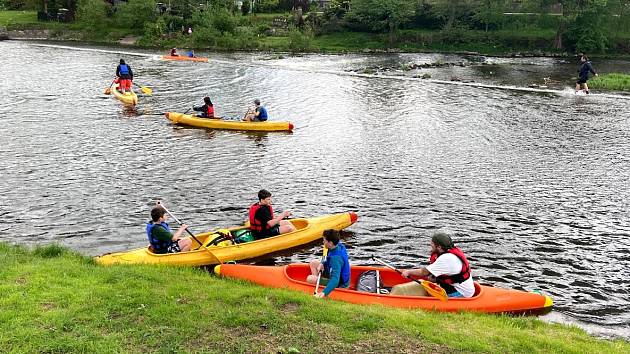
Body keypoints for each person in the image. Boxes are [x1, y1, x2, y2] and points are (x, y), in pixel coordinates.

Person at [391, 232, 475, 298]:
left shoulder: (446, 259)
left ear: (439, 247)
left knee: (426, 289)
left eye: (432, 243)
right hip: (458, 286)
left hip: (461, 292)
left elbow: (423, 272)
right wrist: (436, 280)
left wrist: (408, 272)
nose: (430, 244)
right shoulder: (450, 252)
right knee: (426, 282)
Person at [306, 229, 351, 298]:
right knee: (313, 263)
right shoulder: (338, 245)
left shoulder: (336, 259)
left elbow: (335, 280)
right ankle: (318, 282)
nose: (323, 241)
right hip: (331, 270)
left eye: (324, 240)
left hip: (340, 284)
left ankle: (320, 288)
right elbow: (326, 255)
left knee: (309, 278)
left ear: (330, 243)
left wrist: (324, 293)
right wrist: (322, 263)